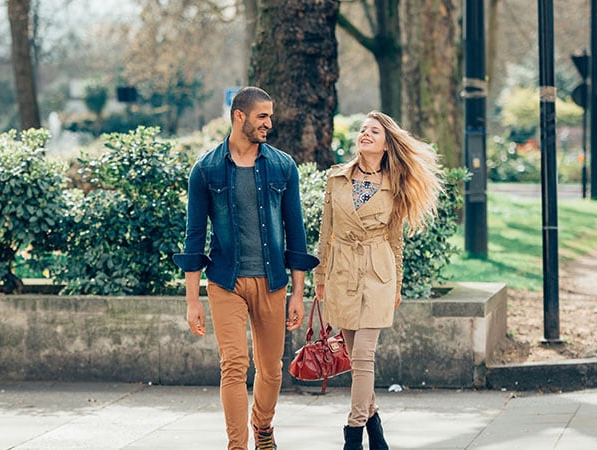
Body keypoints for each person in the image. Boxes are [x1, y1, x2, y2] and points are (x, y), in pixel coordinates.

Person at [173, 86, 319, 450]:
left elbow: (295, 235)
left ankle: (263, 427)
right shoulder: (206, 170)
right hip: (225, 282)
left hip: (272, 283)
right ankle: (237, 445)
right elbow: (194, 239)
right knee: (234, 366)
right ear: (239, 116)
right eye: (262, 116)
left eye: (270, 116)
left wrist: (298, 293)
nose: (269, 123)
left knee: (271, 370)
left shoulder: (283, 166)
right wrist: (193, 301)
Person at [314, 111, 442, 450]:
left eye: (374, 131)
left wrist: (397, 284)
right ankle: (377, 429)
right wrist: (320, 276)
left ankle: (353, 435)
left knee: (363, 358)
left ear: (386, 145)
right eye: (363, 130)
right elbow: (326, 231)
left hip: (377, 274)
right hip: (342, 273)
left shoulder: (395, 184)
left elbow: (395, 240)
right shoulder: (336, 178)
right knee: (356, 358)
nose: (366, 134)